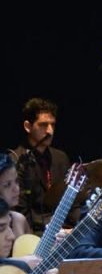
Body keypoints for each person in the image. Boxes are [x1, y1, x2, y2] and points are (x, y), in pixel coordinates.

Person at [12, 97, 71, 232]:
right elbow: (19, 210)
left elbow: (72, 200)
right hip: (32, 234)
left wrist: (71, 228)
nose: (50, 131)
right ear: (28, 126)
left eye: (53, 125)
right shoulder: (17, 160)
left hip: (63, 230)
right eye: (43, 125)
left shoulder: (60, 158)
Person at [0, 154, 30, 238]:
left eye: (16, 181)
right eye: (7, 185)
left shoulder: (20, 220)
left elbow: (34, 251)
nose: (16, 189)